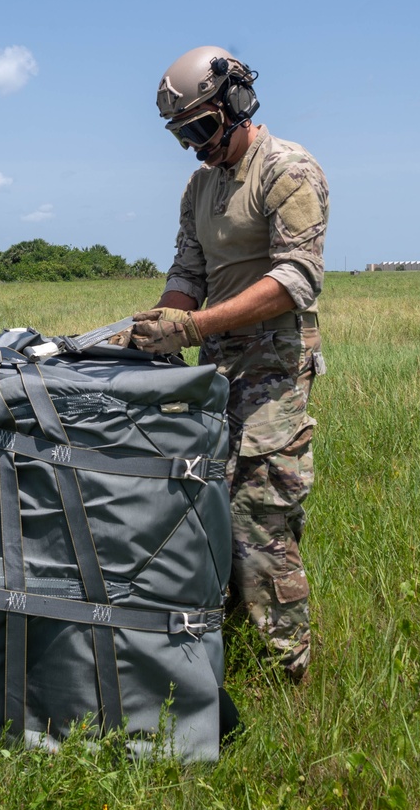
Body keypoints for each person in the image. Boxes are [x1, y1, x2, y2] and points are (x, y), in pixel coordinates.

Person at [128, 46, 328, 682]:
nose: (195, 146)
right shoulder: (200, 184)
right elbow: (188, 271)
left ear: (239, 102)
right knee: (209, 506)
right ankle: (229, 654)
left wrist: (196, 325)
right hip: (215, 375)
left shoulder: (289, 171)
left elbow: (296, 279)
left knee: (261, 517)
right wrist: (164, 324)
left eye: (203, 128)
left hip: (273, 373)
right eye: (182, 134)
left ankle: (288, 677)